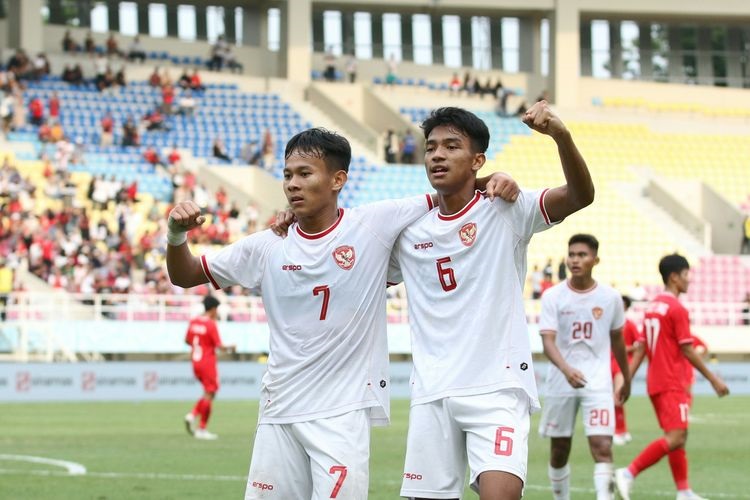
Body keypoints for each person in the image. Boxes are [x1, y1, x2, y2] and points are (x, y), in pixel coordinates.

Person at [166, 128, 518, 498]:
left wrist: (492, 179)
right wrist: (176, 234)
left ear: (338, 179)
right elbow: (186, 274)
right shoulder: (269, 245)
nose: (293, 184)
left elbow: (452, 194)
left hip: (341, 415)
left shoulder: (374, 224)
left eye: (305, 174)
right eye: (287, 175)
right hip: (278, 411)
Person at [388, 104, 594, 500]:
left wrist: (561, 136)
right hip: (432, 394)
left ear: (477, 159)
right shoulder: (409, 233)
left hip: (497, 388)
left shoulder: (506, 209)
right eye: (431, 148)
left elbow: (581, 196)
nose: (437, 155)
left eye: (452, 146)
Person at [615, 254, 730, 500]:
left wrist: (627, 380)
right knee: (676, 436)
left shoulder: (652, 307)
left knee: (678, 436)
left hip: (656, 382)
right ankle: (628, 473)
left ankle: (683, 491)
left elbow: (642, 349)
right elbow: (687, 348)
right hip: (672, 382)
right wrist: (714, 379)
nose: (690, 280)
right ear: (675, 277)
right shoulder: (677, 309)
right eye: (687, 275)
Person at [537, 234, 630, 500]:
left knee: (602, 446)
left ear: (595, 260)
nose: (575, 260)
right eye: (572, 254)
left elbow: (618, 340)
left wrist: (626, 376)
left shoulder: (610, 297)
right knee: (559, 449)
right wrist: (567, 370)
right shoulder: (553, 296)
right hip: (560, 382)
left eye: (582, 255)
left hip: (597, 381)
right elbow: (547, 341)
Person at [184, 295, 235, 440]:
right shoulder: (211, 324)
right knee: (210, 392)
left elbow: (187, 340)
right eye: (217, 309)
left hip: (195, 362)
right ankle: (199, 424)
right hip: (207, 362)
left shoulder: (194, 321)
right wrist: (232, 347)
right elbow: (220, 346)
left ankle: (193, 416)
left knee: (208, 393)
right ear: (213, 309)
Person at [613, 295, 639, 445]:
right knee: (608, 398)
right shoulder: (608, 323)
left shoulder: (629, 324)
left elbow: (638, 344)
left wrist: (624, 349)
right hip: (606, 363)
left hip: (621, 364)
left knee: (618, 397)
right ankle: (620, 430)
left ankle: (620, 431)